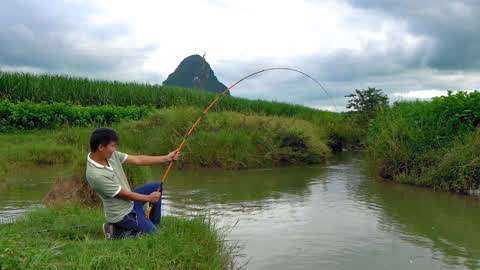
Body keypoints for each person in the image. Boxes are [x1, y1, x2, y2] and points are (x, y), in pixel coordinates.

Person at [85, 127, 180, 239]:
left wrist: (166, 158)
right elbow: (126, 195)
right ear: (101, 147)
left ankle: (153, 224)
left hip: (130, 202)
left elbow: (138, 160)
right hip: (123, 214)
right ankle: (115, 231)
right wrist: (148, 198)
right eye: (113, 145)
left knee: (157, 187)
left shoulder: (110, 154)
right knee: (154, 237)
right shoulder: (95, 175)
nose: (115, 148)